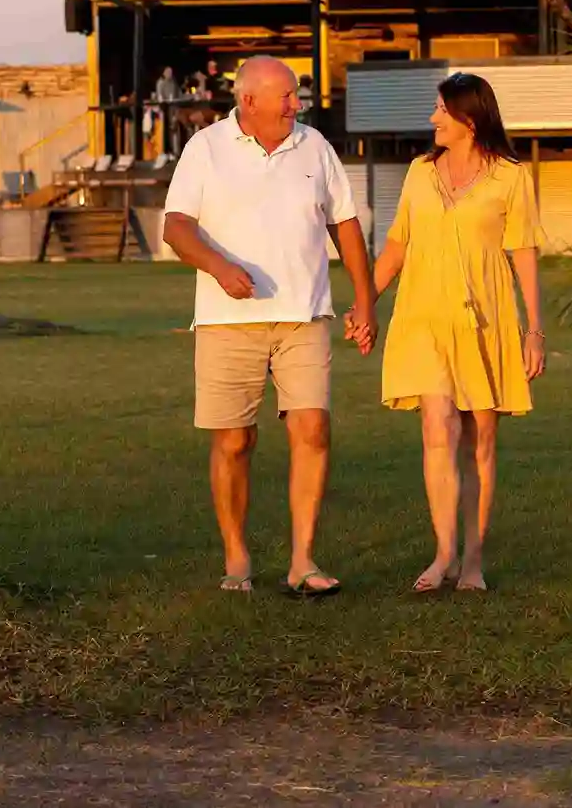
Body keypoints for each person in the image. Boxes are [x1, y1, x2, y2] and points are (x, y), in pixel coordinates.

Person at [161, 55, 378, 597]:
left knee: (313, 428)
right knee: (235, 441)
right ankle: (237, 556)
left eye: (296, 94)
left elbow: (346, 226)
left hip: (303, 317)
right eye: (285, 96)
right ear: (248, 100)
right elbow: (176, 227)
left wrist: (366, 301)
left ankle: (303, 560)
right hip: (226, 322)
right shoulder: (204, 149)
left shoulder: (316, 148)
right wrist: (219, 267)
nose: (296, 104)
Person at [371, 71, 545, 593]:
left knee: (480, 440)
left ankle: (472, 561)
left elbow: (524, 254)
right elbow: (398, 245)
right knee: (437, 425)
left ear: (469, 119)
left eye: (442, 111)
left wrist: (534, 331)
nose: (433, 119)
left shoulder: (511, 178)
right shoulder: (420, 172)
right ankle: (443, 552)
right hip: (423, 314)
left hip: (485, 319)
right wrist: (364, 303)